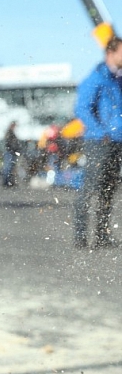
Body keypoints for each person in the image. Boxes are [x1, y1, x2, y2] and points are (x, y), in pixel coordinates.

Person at [73, 36, 122, 249]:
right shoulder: (96, 78)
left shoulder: (118, 79)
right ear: (110, 53)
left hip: (117, 142)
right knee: (91, 188)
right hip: (99, 142)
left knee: (108, 190)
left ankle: (101, 235)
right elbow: (82, 108)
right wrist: (100, 131)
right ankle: (81, 236)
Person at [2, 121, 21, 187]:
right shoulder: (10, 133)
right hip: (10, 152)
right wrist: (14, 149)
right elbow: (10, 143)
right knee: (8, 167)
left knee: (10, 167)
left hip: (11, 152)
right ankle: (7, 181)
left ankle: (8, 181)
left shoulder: (10, 133)